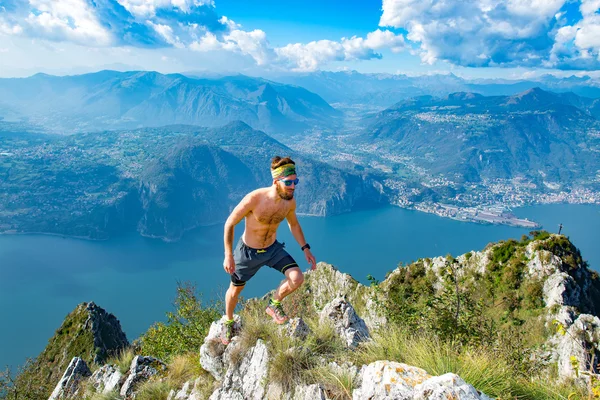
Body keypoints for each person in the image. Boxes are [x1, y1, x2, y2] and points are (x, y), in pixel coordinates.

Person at [221, 156, 317, 344]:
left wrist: (305, 248)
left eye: (295, 182)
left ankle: (274, 304)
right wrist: (228, 255)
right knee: (235, 291)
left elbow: (294, 225)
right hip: (248, 253)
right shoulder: (254, 199)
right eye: (288, 182)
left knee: (297, 278)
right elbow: (229, 224)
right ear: (276, 181)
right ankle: (228, 321)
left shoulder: (289, 202)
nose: (293, 187)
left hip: (272, 249)